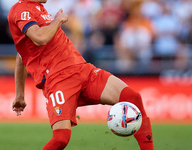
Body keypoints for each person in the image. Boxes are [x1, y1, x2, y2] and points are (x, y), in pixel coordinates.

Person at [8, 0, 154, 150]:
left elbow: (21, 55)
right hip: (59, 80)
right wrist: (58, 20)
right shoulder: (20, 9)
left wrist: (19, 96)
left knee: (133, 97)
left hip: (83, 71)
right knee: (61, 138)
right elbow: (40, 38)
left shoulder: (38, 9)